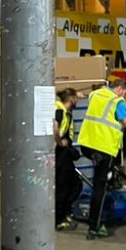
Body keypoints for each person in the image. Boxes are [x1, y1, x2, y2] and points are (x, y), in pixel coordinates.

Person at [78, 78, 126, 240]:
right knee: (100, 187)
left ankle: (109, 189)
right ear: (120, 89)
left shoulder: (95, 94)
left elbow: (86, 94)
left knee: (108, 174)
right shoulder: (117, 101)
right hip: (103, 148)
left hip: (86, 144)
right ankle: (95, 227)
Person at [54, 88, 82, 231]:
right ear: (71, 98)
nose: (77, 100)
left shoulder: (65, 111)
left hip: (64, 153)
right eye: (76, 97)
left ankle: (64, 213)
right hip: (60, 153)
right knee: (63, 187)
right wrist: (60, 142)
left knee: (75, 185)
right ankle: (59, 219)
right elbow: (55, 127)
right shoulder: (59, 110)